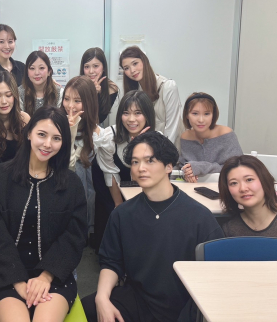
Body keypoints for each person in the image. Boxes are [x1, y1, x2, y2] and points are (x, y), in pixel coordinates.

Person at [82, 131, 224, 322]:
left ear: (168, 166)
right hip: (138, 299)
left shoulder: (199, 217)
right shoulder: (123, 214)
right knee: (87, 309)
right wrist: (102, 298)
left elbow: (214, 275)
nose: (141, 168)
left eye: (150, 161)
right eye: (135, 162)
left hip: (183, 305)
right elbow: (111, 261)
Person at [0, 106, 87, 322]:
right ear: (29, 133)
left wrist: (46, 276)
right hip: (7, 276)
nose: (47, 144)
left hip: (55, 277)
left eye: (56, 138)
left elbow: (74, 236)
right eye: (42, 134)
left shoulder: (72, 184)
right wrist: (18, 281)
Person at [219, 155, 277, 241]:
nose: (243, 188)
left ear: (264, 180)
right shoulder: (229, 229)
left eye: (249, 179)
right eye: (234, 183)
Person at [94, 90, 156, 209]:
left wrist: (139, 147)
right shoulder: (109, 137)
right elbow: (110, 173)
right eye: (126, 113)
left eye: (138, 113)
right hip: (111, 193)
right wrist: (119, 205)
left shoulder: (156, 140)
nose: (131, 119)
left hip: (144, 194)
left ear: (147, 114)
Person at [120, 45, 183, 147]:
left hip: (168, 147)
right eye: (126, 68)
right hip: (147, 147)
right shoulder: (135, 91)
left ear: (144, 61)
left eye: (135, 63)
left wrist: (162, 152)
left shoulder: (168, 86)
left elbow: (172, 127)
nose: (132, 70)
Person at [62, 76, 99, 238]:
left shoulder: (96, 132)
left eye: (77, 101)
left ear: (88, 102)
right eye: (66, 99)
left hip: (87, 198)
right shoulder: (58, 125)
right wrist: (71, 130)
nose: (70, 105)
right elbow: (69, 166)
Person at [179, 92, 243, 182]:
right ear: (187, 115)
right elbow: (182, 166)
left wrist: (202, 167)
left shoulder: (226, 134)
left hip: (224, 185)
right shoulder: (185, 136)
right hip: (194, 186)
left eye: (206, 114)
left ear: (213, 115)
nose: (201, 120)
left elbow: (238, 167)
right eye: (195, 113)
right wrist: (187, 172)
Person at [18, 51, 64, 116]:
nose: (37, 73)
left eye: (41, 68)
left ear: (49, 71)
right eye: (32, 68)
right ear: (27, 72)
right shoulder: (19, 93)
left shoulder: (59, 92)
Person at [80, 47, 119, 125]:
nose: (91, 71)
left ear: (103, 67)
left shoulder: (111, 88)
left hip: (95, 127)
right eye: (87, 67)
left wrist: (96, 95)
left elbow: (100, 119)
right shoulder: (77, 86)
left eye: (95, 66)